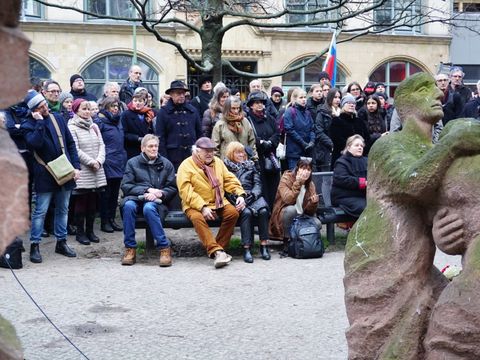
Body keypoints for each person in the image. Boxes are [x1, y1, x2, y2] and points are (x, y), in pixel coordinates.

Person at [343, 72, 480, 359]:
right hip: (381, 252)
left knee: (433, 319)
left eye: (436, 88)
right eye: (424, 89)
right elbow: (412, 182)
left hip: (418, 257)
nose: (438, 94)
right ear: (404, 104)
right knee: (379, 336)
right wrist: (452, 143)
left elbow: (440, 207)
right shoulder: (389, 144)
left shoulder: (435, 152)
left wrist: (443, 232)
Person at [21, 90, 80, 263]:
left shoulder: (58, 118)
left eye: (45, 105)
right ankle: (35, 245)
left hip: (65, 170)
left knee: (63, 209)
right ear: (34, 110)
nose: (45, 109)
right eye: (40, 107)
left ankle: (61, 242)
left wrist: (76, 166)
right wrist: (39, 123)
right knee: (40, 211)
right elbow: (34, 144)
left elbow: (70, 144)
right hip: (44, 174)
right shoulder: (27, 124)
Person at [177, 137, 246, 268]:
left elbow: (229, 180)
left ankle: (217, 249)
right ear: (197, 151)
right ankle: (217, 251)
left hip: (217, 201)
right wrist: (202, 207)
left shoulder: (218, 162)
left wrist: (240, 194)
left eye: (212, 151)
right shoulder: (186, 165)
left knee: (233, 213)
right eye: (206, 151)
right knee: (197, 218)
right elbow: (186, 191)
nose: (210, 154)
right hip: (194, 204)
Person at [120, 134, 177, 267]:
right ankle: (130, 249)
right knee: (128, 206)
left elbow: (172, 187)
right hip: (135, 199)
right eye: (150, 146)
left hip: (157, 203)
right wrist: (146, 190)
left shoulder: (165, 163)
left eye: (156, 146)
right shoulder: (132, 163)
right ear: (142, 148)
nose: (154, 149)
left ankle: (164, 248)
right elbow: (126, 185)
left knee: (149, 208)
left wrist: (160, 193)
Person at [68, 98, 107, 245]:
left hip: (97, 168)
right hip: (83, 169)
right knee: (81, 201)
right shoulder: (72, 127)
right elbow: (75, 149)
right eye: (84, 108)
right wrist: (91, 162)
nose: (87, 111)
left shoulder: (94, 126)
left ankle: (90, 231)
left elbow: (102, 145)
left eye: (89, 109)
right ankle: (80, 233)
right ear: (76, 110)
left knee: (93, 202)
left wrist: (99, 161)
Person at [224, 142, 271, 263]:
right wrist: (239, 198)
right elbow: (226, 188)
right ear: (231, 153)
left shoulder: (251, 166)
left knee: (264, 211)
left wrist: (251, 196)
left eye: (243, 152)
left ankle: (264, 245)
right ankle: (246, 248)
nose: (242, 154)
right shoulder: (225, 168)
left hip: (252, 196)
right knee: (246, 213)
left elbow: (258, 184)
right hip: (237, 199)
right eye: (238, 152)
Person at [269, 157, 320, 254]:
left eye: (308, 169)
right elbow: (288, 199)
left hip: (302, 216)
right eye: (303, 168)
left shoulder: (310, 184)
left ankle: (306, 243)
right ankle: (287, 242)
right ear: (297, 169)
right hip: (283, 214)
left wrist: (313, 203)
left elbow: (310, 212)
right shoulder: (286, 178)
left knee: (317, 223)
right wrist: (298, 183)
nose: (305, 172)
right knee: (291, 210)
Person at [95, 96, 127, 233]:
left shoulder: (119, 121)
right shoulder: (100, 121)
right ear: (106, 107)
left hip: (119, 160)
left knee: (115, 194)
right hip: (107, 161)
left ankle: (112, 219)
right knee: (105, 195)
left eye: (117, 106)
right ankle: (105, 221)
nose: (115, 109)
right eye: (112, 106)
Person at [155, 80, 202, 170]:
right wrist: (164, 160)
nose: (181, 96)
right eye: (178, 93)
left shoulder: (192, 111)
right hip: (172, 156)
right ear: (171, 94)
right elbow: (160, 138)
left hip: (191, 155)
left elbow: (199, 134)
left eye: (183, 93)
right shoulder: (163, 112)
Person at [245, 91, 280, 209]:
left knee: (274, 188)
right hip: (257, 159)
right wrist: (261, 143)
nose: (260, 105)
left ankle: (274, 215)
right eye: (256, 103)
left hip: (271, 158)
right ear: (251, 105)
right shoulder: (248, 120)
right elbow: (250, 137)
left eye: (261, 102)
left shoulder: (269, 118)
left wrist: (270, 142)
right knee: (262, 187)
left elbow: (277, 133)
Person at [211, 95, 258, 161]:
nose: (236, 111)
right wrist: (218, 164)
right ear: (228, 108)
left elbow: (252, 143)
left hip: (244, 162)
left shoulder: (245, 122)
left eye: (238, 108)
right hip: (226, 163)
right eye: (233, 108)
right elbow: (215, 148)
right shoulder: (220, 124)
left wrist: (255, 159)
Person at [331, 135, 368, 218]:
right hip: (344, 197)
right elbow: (342, 179)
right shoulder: (341, 162)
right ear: (348, 147)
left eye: (361, 146)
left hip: (362, 196)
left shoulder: (366, 161)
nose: (360, 148)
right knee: (366, 207)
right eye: (356, 145)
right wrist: (363, 182)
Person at [329, 93, 369, 167]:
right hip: (341, 158)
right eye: (349, 103)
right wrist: (351, 149)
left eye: (353, 103)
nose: (352, 105)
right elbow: (337, 140)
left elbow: (367, 138)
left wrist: (360, 148)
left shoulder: (359, 121)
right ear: (343, 105)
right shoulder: (336, 121)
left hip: (359, 158)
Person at [284, 88, 315, 170]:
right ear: (295, 99)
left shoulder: (307, 113)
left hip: (307, 152)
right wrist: (303, 143)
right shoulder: (290, 111)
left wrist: (312, 141)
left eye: (305, 97)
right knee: (294, 178)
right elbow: (289, 129)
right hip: (294, 153)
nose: (304, 100)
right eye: (301, 97)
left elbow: (312, 128)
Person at [121, 88, 155, 159]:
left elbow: (152, 130)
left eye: (140, 101)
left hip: (147, 149)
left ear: (144, 102)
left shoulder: (149, 113)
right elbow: (124, 133)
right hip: (132, 149)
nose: (137, 103)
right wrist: (138, 138)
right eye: (135, 101)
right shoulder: (126, 114)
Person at [313, 88, 341, 171]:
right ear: (330, 98)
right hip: (325, 150)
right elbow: (319, 132)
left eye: (339, 97)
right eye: (335, 97)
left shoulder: (341, 112)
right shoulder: (322, 112)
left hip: (339, 150)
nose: (337, 100)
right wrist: (332, 144)